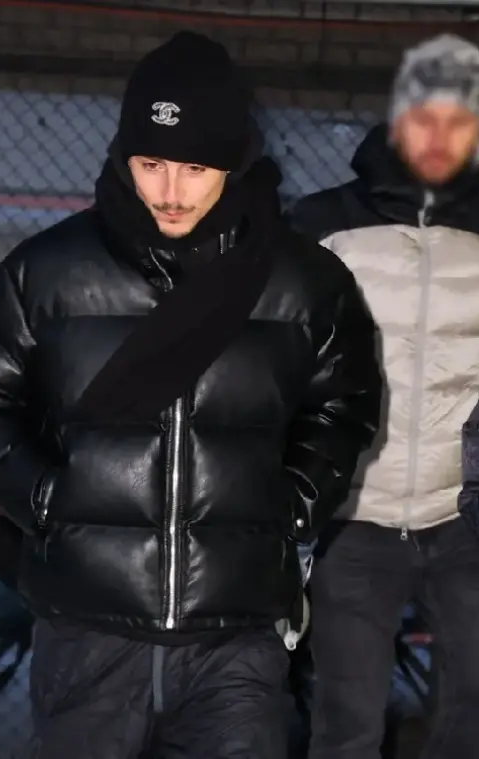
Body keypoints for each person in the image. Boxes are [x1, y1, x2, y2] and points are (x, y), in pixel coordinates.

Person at [0, 31, 381, 759]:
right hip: (88, 629)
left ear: (234, 162)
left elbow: (345, 403)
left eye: (194, 168)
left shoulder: (305, 283)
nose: (169, 192)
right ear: (124, 158)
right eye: (150, 165)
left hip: (235, 635)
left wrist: (294, 499)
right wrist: (46, 499)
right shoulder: (47, 272)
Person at [291, 33, 479, 759]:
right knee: (347, 724)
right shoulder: (320, 225)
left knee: (470, 714)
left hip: (462, 517)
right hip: (354, 516)